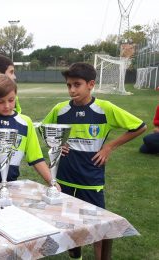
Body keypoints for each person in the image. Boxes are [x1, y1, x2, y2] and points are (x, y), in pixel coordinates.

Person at [41, 62, 147, 260]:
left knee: (98, 223)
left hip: (91, 177)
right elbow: (43, 128)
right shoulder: (60, 109)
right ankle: (76, 255)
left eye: (77, 85)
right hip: (64, 176)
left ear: (90, 84)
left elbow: (140, 126)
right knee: (68, 220)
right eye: (68, 85)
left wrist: (109, 147)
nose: (72, 90)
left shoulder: (104, 108)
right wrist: (56, 144)